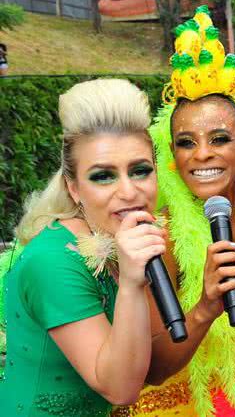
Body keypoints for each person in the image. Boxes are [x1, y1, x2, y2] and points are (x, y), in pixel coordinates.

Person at [115, 6, 235, 417]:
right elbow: (152, 368)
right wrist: (204, 307)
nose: (202, 154)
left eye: (219, 138)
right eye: (186, 142)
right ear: (172, 156)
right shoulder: (158, 238)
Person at [0, 79, 164, 415]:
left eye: (141, 171)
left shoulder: (122, 240)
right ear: (73, 188)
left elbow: (151, 359)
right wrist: (133, 284)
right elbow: (120, 388)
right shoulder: (53, 262)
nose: (129, 191)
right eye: (103, 176)